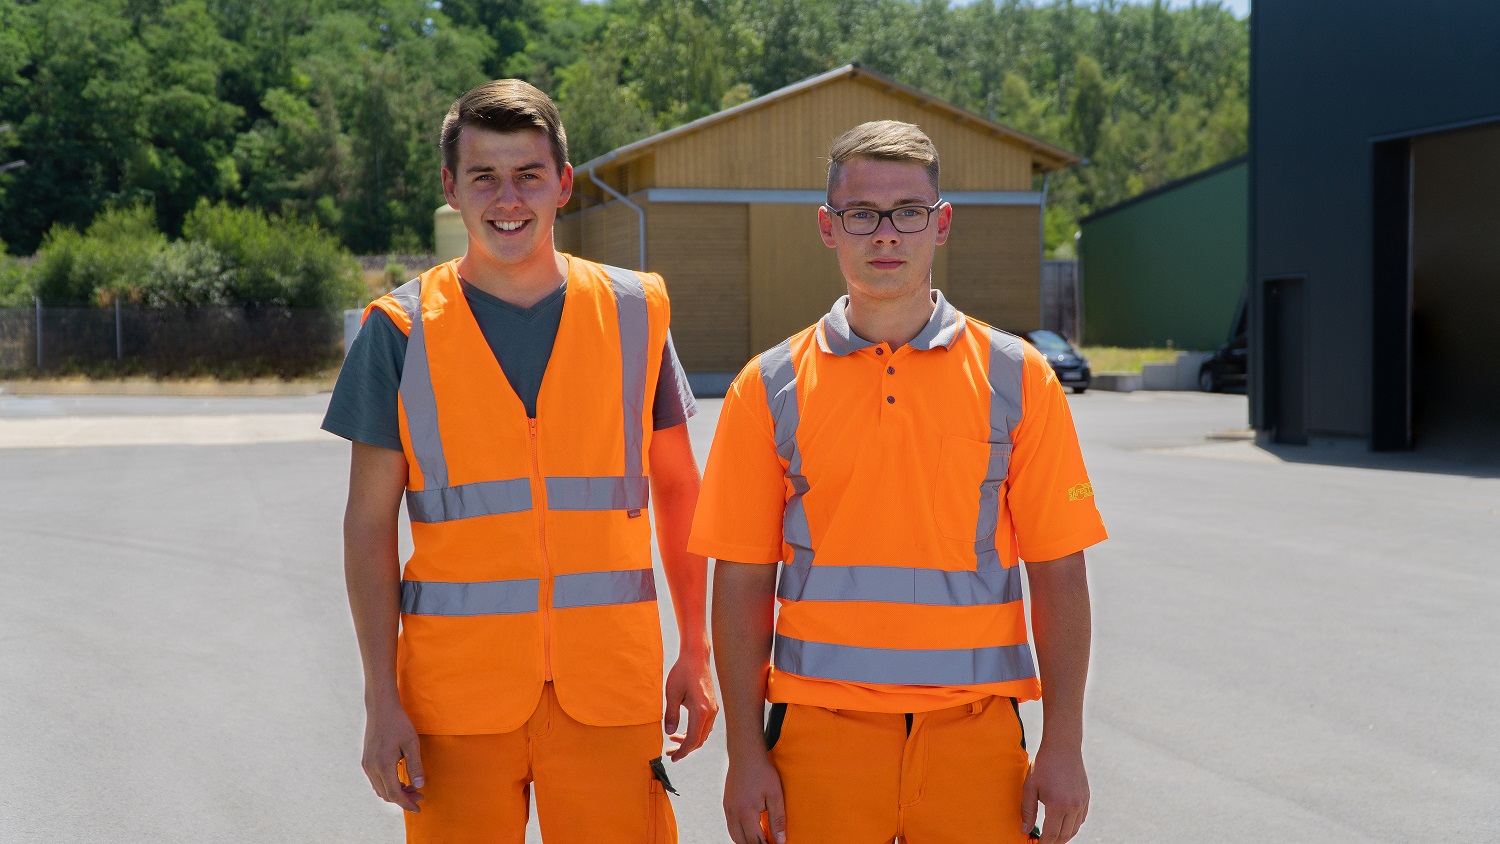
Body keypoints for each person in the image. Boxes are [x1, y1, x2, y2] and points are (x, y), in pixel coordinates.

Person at [322, 79, 717, 843]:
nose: (509, 198)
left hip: (609, 690)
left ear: (563, 183)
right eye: (484, 176)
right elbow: (367, 527)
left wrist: (695, 650)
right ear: (450, 189)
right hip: (454, 702)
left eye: (528, 173)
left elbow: (679, 487)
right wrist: (381, 698)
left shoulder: (636, 311)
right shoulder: (397, 330)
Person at [691, 120, 1107, 844]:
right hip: (818, 743)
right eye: (862, 214)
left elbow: (1060, 570)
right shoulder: (769, 386)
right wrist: (744, 751)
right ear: (829, 226)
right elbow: (741, 581)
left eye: (908, 212)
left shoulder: (1019, 378)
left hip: (975, 740)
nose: (886, 235)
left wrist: (1063, 742)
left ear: (940, 224)